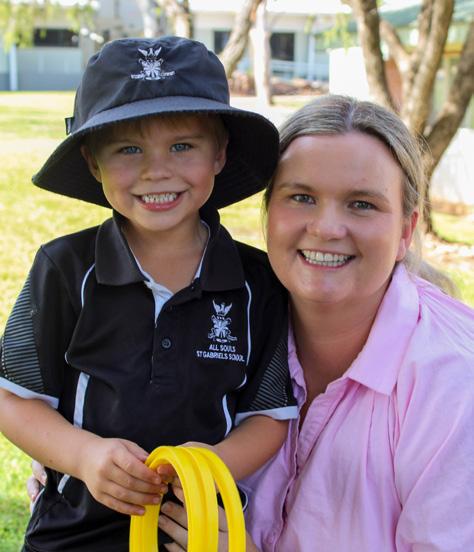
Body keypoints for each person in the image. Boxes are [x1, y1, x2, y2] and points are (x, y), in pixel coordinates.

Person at [0, 36, 298, 552]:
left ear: (220, 153)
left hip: (197, 532)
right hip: (73, 536)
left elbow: (268, 416)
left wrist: (212, 466)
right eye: (128, 149)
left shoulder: (258, 282)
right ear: (92, 162)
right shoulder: (65, 268)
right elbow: (13, 400)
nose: (156, 170)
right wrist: (83, 456)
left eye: (182, 146)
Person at [151, 95, 474, 551]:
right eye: (301, 197)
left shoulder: (455, 381)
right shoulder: (221, 323)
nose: (326, 228)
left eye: (361, 204)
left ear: (405, 231)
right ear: (269, 214)